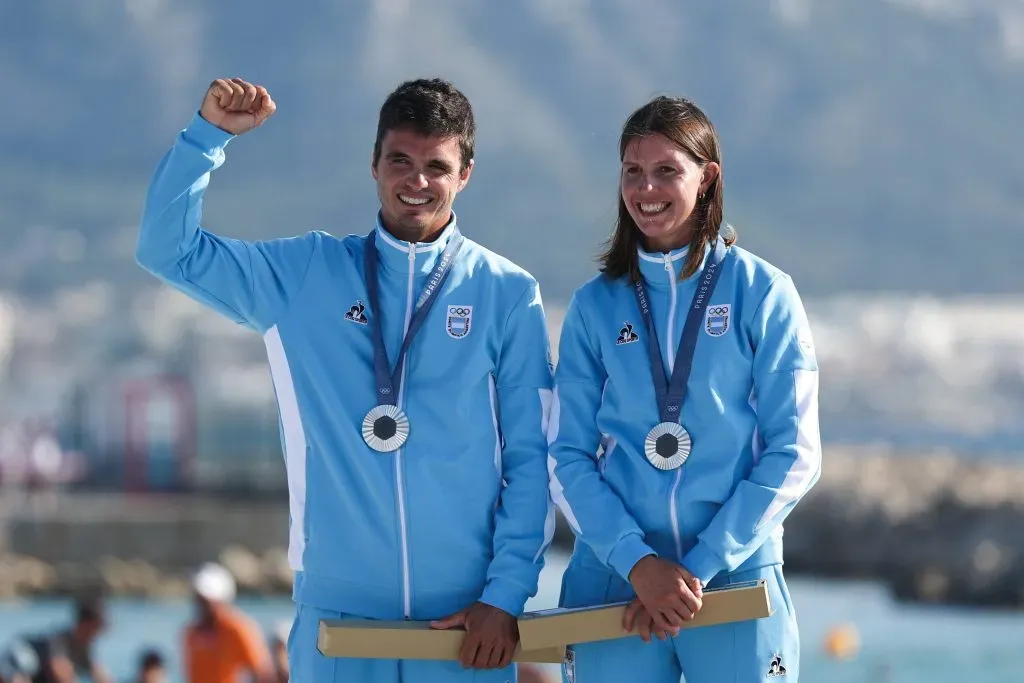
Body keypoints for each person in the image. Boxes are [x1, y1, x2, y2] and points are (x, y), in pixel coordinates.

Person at [136, 77, 554, 682]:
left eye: (437, 166)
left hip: (465, 625)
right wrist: (207, 138)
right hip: (339, 624)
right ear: (374, 164)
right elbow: (166, 250)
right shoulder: (304, 274)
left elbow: (531, 458)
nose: (417, 181)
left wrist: (506, 597)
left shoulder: (508, 294)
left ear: (465, 173)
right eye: (400, 161)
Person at [547, 95, 822, 682]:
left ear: (708, 177)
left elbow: (794, 452)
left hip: (732, 580)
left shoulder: (763, 292)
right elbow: (565, 454)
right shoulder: (595, 306)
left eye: (667, 169)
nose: (647, 189)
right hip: (613, 584)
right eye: (633, 172)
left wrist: (694, 570)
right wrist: (637, 563)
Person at [182, 563, 276, 683]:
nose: (200, 604)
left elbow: (262, 673)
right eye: (198, 598)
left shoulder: (238, 628)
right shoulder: (191, 633)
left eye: (205, 600)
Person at [20, 595, 113, 683]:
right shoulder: (57, 640)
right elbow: (62, 674)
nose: (98, 634)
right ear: (85, 624)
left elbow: (97, 672)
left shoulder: (84, 646)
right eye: (96, 627)